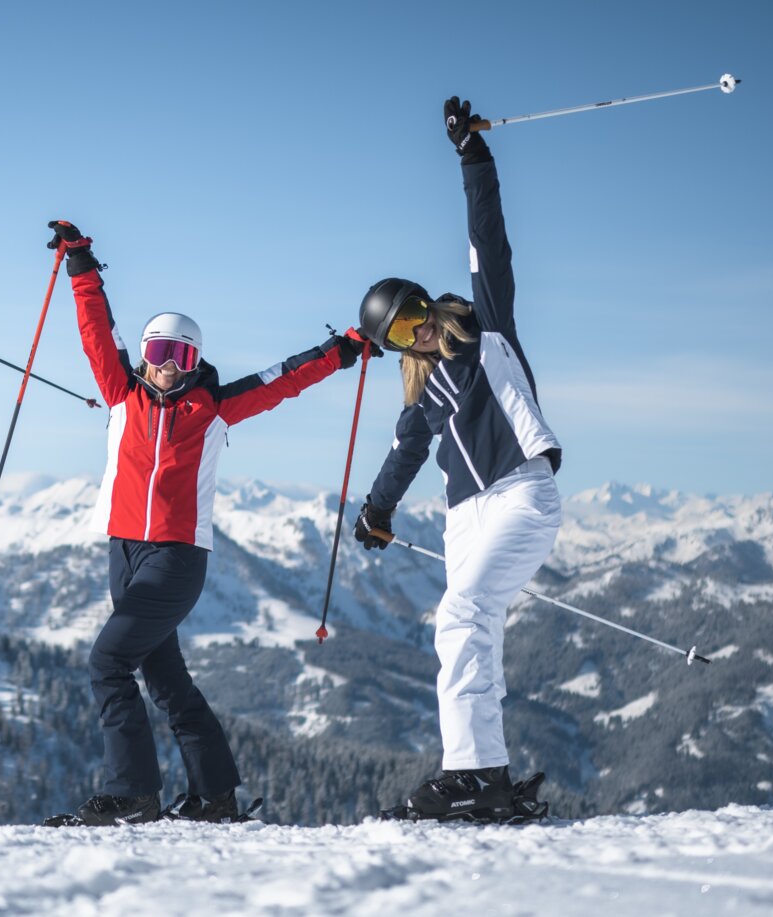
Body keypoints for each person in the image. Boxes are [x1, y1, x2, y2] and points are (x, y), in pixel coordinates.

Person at [45, 219, 365, 825]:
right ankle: (215, 795)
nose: (168, 366)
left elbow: (283, 379)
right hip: (124, 551)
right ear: (144, 357)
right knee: (164, 679)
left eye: (181, 355)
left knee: (107, 663)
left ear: (196, 360)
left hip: (175, 558)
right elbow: (95, 332)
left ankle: (132, 791)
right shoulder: (121, 393)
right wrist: (80, 263)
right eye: (159, 354)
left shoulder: (211, 408)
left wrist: (343, 348)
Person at [352, 97, 564, 822]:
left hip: (518, 492)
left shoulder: (485, 333)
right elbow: (404, 451)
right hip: (462, 517)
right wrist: (376, 511)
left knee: (461, 613)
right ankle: (487, 775)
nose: (412, 337)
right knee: (469, 633)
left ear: (426, 305)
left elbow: (488, 243)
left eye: (413, 319)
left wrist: (471, 157)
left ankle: (470, 773)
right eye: (396, 337)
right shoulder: (422, 395)